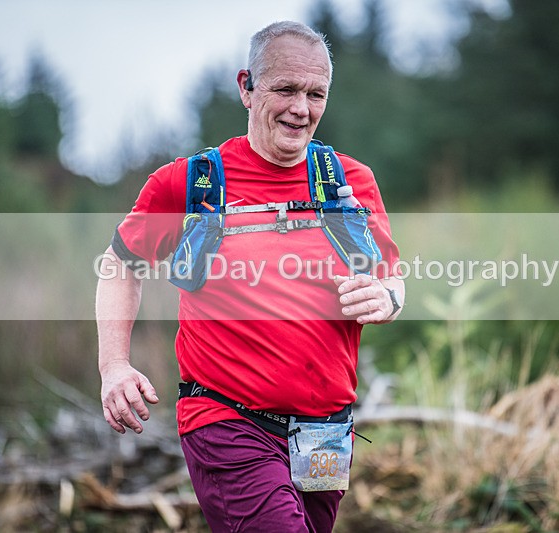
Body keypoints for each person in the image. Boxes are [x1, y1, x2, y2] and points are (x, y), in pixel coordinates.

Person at [96, 21, 404, 532]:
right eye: (285, 89)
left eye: (316, 94)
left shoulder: (350, 182)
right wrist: (114, 366)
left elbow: (392, 278)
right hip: (227, 422)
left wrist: (387, 299)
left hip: (326, 434)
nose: (301, 109)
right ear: (247, 86)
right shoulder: (189, 184)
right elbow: (119, 265)